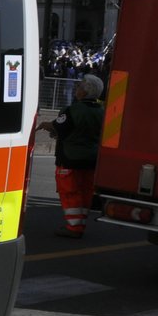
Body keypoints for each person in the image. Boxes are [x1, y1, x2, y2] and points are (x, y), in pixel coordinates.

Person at [36, 73, 105, 238]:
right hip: (92, 159)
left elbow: (57, 128)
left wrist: (44, 124)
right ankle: (80, 223)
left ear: (85, 91)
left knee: (70, 192)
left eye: (80, 86)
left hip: (70, 158)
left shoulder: (73, 110)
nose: (77, 88)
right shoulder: (103, 111)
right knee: (85, 191)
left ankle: (74, 227)